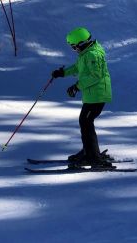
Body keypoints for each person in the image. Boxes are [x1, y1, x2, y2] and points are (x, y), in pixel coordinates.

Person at [52, 27, 112, 167]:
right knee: (85, 122)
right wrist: (63, 73)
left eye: (74, 47)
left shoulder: (92, 55)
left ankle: (93, 157)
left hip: (97, 95)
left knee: (86, 122)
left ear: (81, 44)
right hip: (92, 95)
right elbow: (78, 67)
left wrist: (77, 86)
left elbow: (95, 75)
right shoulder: (86, 54)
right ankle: (88, 151)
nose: (74, 50)